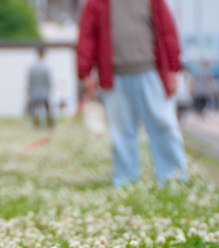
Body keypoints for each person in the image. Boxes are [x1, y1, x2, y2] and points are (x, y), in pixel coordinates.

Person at [77, 0, 187, 186]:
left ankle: (174, 178)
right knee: (121, 132)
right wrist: (85, 72)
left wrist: (172, 68)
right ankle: (125, 181)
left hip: (151, 72)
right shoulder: (96, 3)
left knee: (164, 124)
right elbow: (87, 36)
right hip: (114, 76)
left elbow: (167, 30)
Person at [27, 46, 54, 128]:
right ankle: (49, 123)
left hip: (35, 91)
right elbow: (48, 79)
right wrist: (49, 88)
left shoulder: (33, 67)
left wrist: (29, 90)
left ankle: (36, 123)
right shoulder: (45, 66)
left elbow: (30, 80)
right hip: (43, 90)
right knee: (47, 108)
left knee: (36, 109)